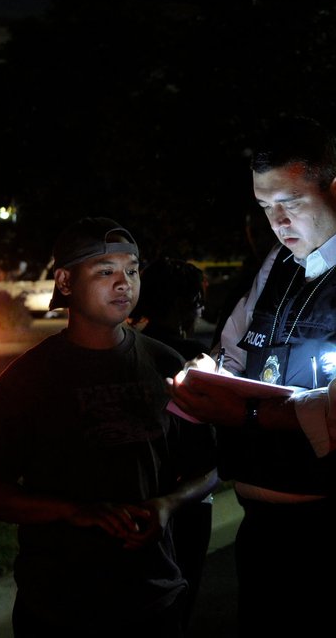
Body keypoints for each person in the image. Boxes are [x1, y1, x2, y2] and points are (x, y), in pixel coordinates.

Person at [168, 116, 336, 638]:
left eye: (290, 203)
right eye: (264, 208)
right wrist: (203, 383)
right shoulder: (281, 261)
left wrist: (250, 412)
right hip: (262, 531)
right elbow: (232, 351)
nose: (276, 222)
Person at [0, 217, 218, 637]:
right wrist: (74, 513)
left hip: (153, 598)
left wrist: (166, 506)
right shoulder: (28, 377)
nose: (123, 284)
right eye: (105, 271)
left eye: (131, 271)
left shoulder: (166, 364)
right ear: (64, 281)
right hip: (58, 606)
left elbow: (206, 468)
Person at [128, 256, 212, 632]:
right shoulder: (191, 356)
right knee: (180, 596)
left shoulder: (131, 348)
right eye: (198, 300)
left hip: (140, 489)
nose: (201, 309)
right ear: (181, 304)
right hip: (187, 496)